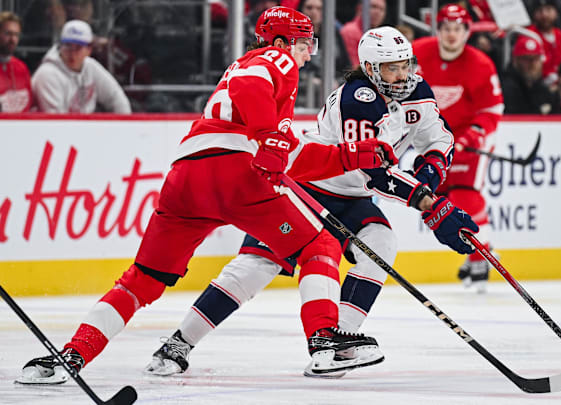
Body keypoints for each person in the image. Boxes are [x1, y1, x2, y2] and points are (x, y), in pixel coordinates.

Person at [17, 6, 400, 385]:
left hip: (185, 182)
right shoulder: (274, 59)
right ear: (282, 41)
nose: (307, 53)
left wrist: (353, 155)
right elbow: (253, 95)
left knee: (141, 281)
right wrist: (268, 136)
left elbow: (291, 157)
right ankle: (324, 343)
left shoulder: (260, 88)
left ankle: (70, 355)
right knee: (320, 246)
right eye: (304, 43)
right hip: (235, 176)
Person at [143, 25, 478, 379]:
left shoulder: (417, 90)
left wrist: (431, 173)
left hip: (352, 197)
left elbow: (439, 137)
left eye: (405, 64)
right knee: (255, 268)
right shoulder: (358, 98)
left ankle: (341, 340)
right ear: (369, 68)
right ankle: (178, 344)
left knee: (381, 242)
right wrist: (426, 202)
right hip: (309, 188)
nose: (401, 75)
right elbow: (374, 172)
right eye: (391, 68)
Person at [413, 3, 503, 293]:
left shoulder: (480, 64)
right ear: (438, 30)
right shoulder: (417, 53)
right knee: (436, 200)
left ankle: (479, 256)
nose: (452, 35)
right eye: (446, 28)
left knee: (465, 195)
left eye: (458, 29)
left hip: (467, 140)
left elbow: (492, 108)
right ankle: (478, 250)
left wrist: (472, 136)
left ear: (467, 32)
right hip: (432, 140)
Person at [31, 19, 131, 114]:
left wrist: (125, 127)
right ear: (60, 46)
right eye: (68, 46)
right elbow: (56, 121)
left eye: (78, 48)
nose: (72, 53)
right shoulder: (47, 74)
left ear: (89, 50)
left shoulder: (90, 66)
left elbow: (116, 97)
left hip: (82, 127)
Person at [501, 35, 553, 115]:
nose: (532, 64)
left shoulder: (543, 90)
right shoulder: (506, 90)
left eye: (536, 58)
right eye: (527, 59)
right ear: (515, 60)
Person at [527, 0, 561, 88]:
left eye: (548, 9)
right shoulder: (529, 34)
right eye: (540, 11)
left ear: (556, 12)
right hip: (540, 87)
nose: (544, 15)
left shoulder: (560, 35)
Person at [0, 11, 32, 113]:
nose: (12, 39)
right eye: (8, 33)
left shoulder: (21, 68)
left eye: (16, 34)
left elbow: (29, 104)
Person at [340, 0, 386, 67]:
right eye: (373, 7)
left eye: (382, 9)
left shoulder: (380, 36)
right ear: (360, 8)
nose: (377, 12)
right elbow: (354, 69)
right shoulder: (350, 31)